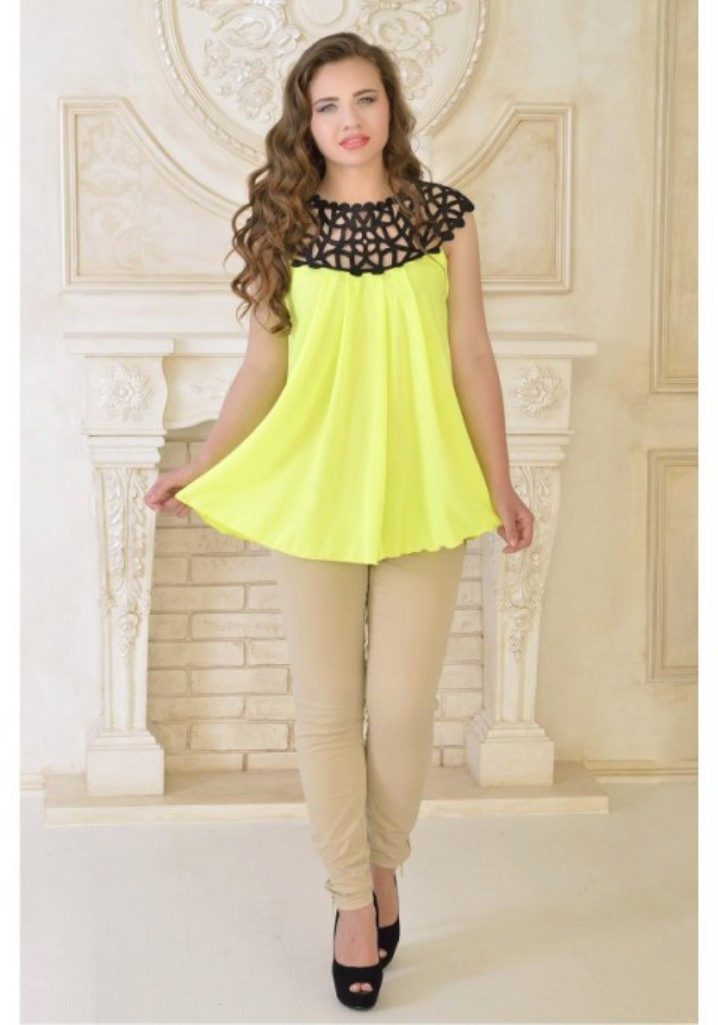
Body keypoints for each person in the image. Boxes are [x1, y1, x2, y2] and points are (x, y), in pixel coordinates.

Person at [143, 31, 533, 1011]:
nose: (349, 120)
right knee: (326, 710)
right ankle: (351, 899)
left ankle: (385, 862)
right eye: (327, 106)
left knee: (399, 708)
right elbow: (263, 368)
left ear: (392, 107)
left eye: (365, 99)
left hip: (424, 486)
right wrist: (204, 463)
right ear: (304, 122)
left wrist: (502, 483)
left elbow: (472, 357)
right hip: (315, 487)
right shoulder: (281, 225)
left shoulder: (444, 219)